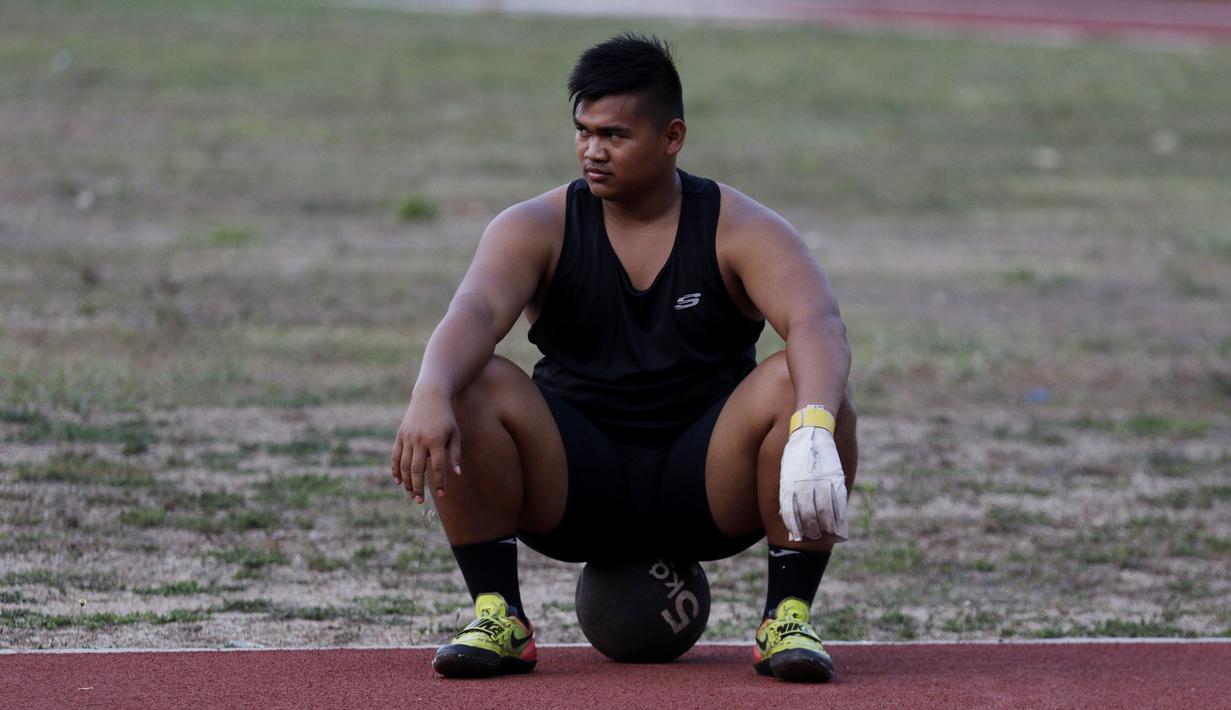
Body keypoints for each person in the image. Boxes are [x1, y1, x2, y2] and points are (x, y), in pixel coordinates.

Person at [391, 33, 857, 683]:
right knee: (470, 381)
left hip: (706, 483)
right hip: (575, 484)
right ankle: (498, 616)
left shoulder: (738, 226)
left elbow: (817, 322)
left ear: (672, 137)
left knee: (805, 384)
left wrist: (813, 425)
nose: (591, 150)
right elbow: (472, 312)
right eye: (582, 131)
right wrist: (429, 391)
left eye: (613, 135)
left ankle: (786, 619)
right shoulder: (536, 225)